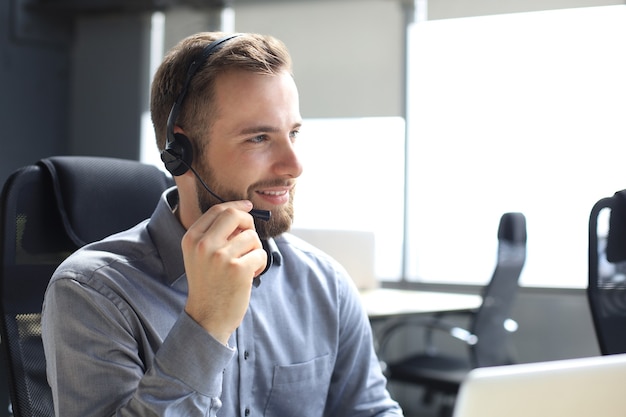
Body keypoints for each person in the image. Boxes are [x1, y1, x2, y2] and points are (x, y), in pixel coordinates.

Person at [41, 31, 403, 417]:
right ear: (181, 151)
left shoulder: (325, 284)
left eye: (293, 133)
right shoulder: (92, 292)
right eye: (259, 138)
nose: (295, 165)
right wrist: (206, 323)